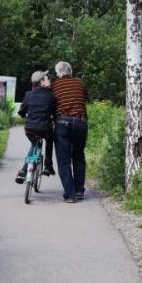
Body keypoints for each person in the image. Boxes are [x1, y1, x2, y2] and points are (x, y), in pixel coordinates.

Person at [52, 61, 88, 203]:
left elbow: (52, 103)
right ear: (70, 71)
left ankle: (70, 194)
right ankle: (79, 191)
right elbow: (84, 98)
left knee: (63, 160)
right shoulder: (80, 83)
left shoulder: (55, 85)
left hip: (62, 123)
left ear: (59, 73)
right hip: (80, 122)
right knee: (78, 156)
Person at [15, 70, 57, 184]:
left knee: (34, 145)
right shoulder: (51, 96)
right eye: (47, 78)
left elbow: (21, 112)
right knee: (49, 139)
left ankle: (24, 170)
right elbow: (55, 114)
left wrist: (26, 115)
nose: (49, 80)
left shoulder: (28, 94)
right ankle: (48, 166)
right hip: (44, 128)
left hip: (29, 128)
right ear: (42, 81)